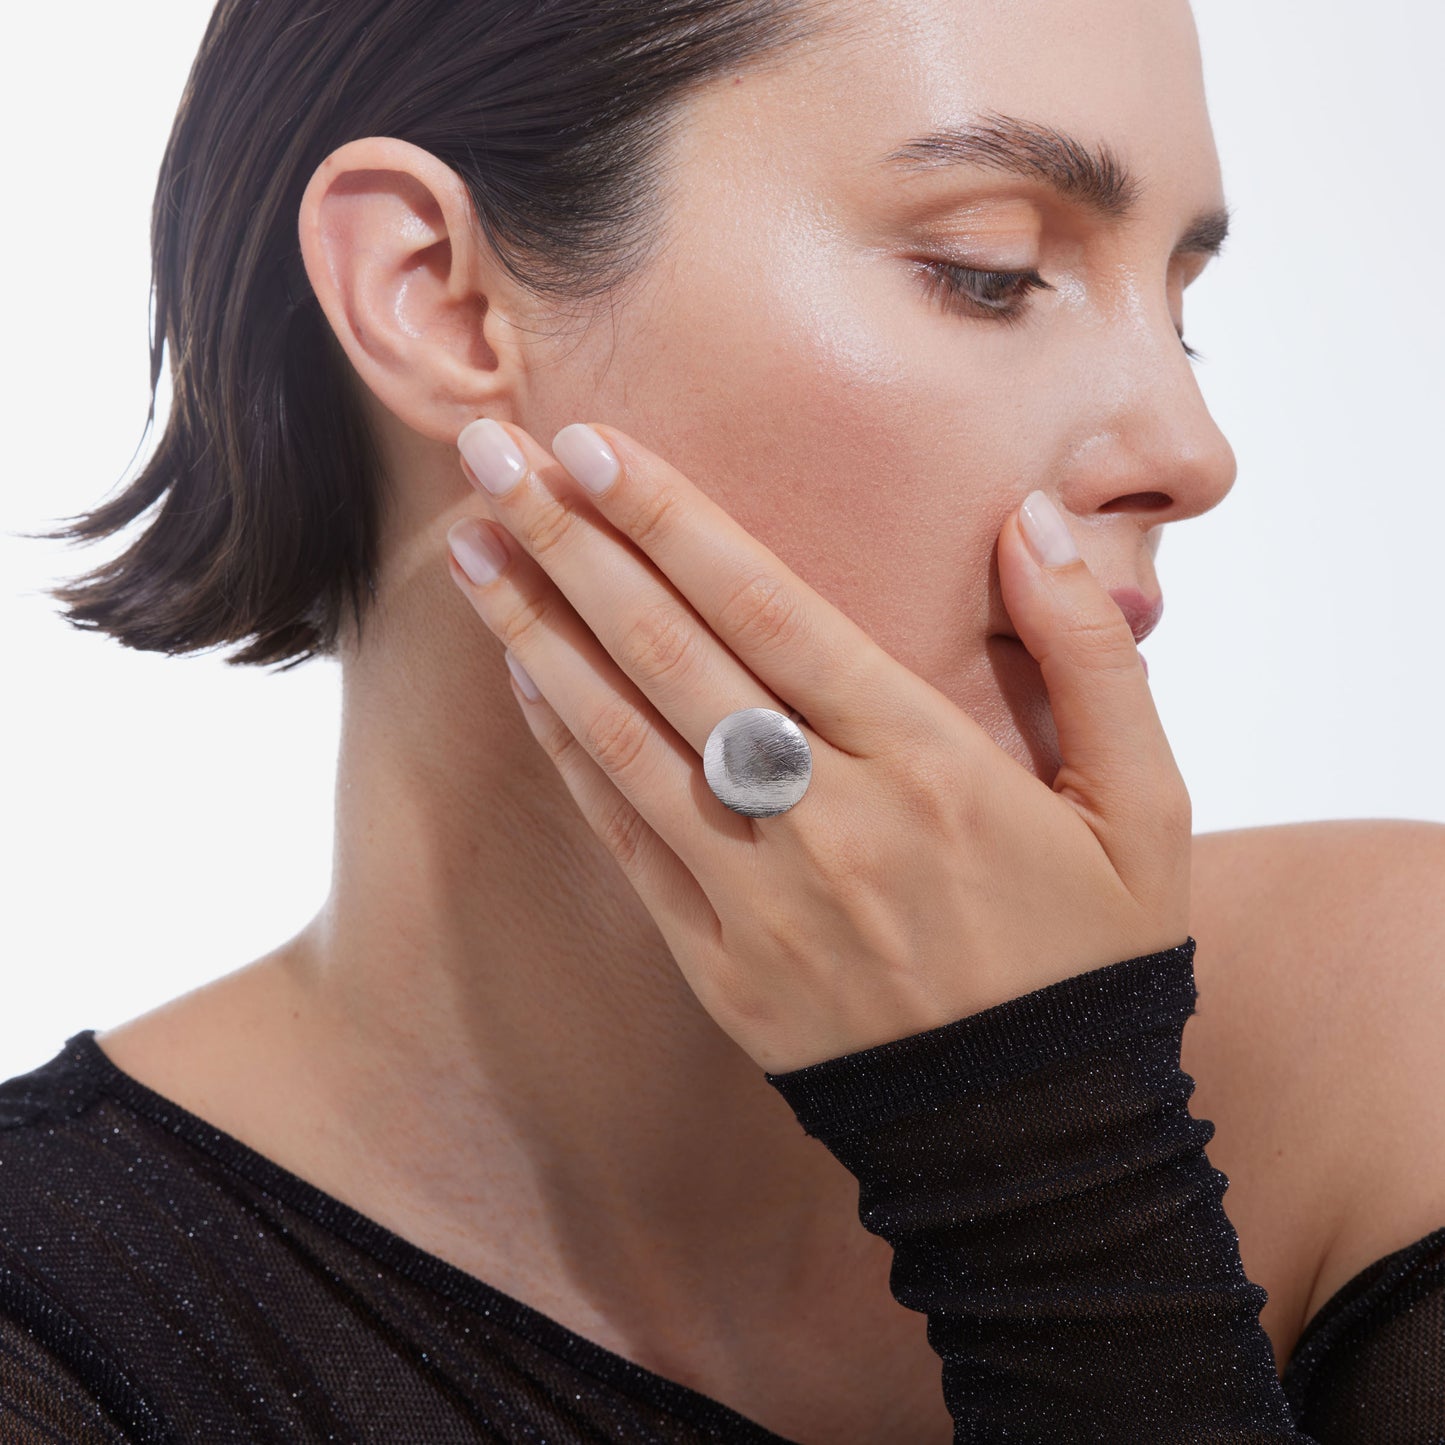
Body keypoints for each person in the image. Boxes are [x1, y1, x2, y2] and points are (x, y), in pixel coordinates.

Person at [1, 0, 1441, 1439]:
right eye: (987, 273)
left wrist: (1057, 1163)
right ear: (437, 294)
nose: (1192, 453)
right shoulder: (54, 1322)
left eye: (1180, 305)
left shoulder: (1391, 1033)